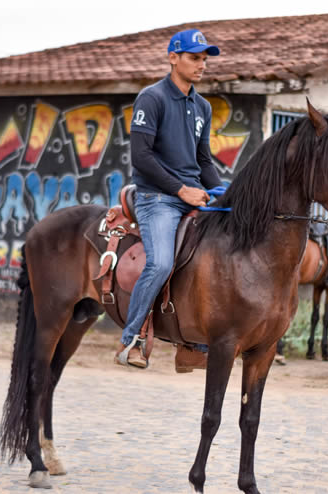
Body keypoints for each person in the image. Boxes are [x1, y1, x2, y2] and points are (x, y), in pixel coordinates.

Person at [115, 28, 223, 370]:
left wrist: (221, 192)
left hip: (193, 196)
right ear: (173, 58)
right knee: (161, 262)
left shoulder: (203, 106)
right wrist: (181, 189)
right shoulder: (152, 98)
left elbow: (203, 160)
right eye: (194, 58)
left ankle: (193, 343)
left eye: (204, 59)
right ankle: (130, 340)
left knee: (220, 256)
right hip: (157, 198)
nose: (201, 65)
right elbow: (141, 157)